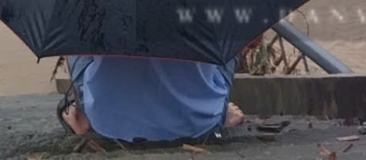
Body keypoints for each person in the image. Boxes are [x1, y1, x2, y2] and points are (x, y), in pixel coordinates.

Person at [58, 55, 245, 142]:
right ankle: (217, 111)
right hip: (197, 122)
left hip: (107, 121)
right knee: (231, 44)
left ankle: (82, 114)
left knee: (75, 38)